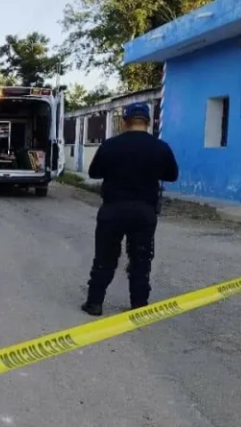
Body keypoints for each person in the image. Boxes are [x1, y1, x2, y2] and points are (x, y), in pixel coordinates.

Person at [81, 102, 179, 316]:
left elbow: (94, 173)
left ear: (125, 122)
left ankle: (94, 303)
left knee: (105, 258)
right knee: (141, 258)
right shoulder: (160, 147)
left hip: (112, 210)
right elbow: (172, 175)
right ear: (148, 123)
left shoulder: (110, 145)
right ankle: (139, 304)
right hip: (144, 212)